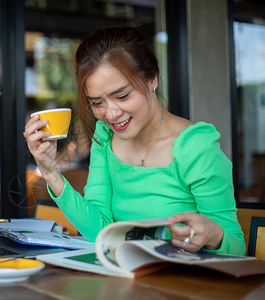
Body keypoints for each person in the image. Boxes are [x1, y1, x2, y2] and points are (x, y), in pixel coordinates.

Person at [24, 27, 245, 255]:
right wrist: (49, 172)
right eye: (97, 103)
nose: (111, 114)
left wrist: (213, 236)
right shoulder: (105, 137)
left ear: (152, 80)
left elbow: (237, 248)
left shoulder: (195, 147)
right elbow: (99, 230)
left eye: (122, 96)